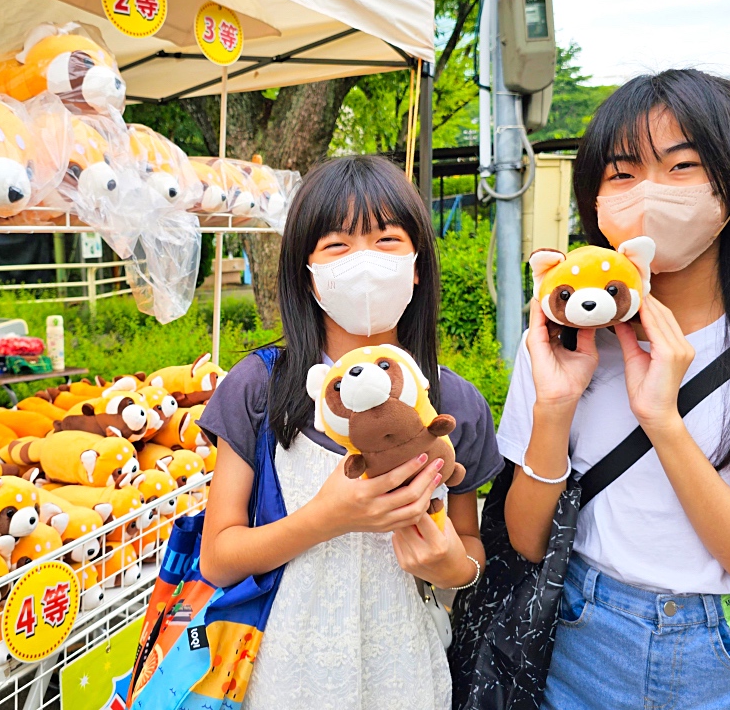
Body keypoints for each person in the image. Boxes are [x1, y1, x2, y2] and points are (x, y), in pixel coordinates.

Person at [499, 69, 730, 709]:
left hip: (729, 660)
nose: (648, 192)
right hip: (582, 639)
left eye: (683, 166)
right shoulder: (561, 343)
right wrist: (555, 408)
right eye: (621, 173)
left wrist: (664, 422)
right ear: (595, 201)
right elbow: (528, 540)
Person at [198, 155, 502, 709]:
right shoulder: (260, 389)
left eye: (387, 239)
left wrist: (451, 566)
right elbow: (218, 557)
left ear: (416, 265)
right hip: (283, 679)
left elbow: (473, 550)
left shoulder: (452, 402)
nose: (364, 261)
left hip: (409, 678)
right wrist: (328, 518)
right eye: (337, 245)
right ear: (306, 273)